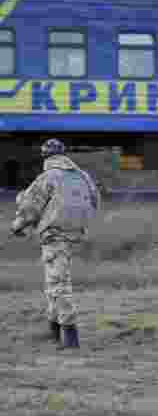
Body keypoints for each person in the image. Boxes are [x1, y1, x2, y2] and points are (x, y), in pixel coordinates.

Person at [9, 138, 100, 350]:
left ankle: (70, 338)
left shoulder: (47, 177)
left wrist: (17, 226)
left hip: (54, 236)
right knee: (55, 281)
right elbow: (95, 201)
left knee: (58, 284)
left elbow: (30, 207)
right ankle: (53, 330)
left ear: (45, 157)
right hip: (75, 234)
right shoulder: (82, 176)